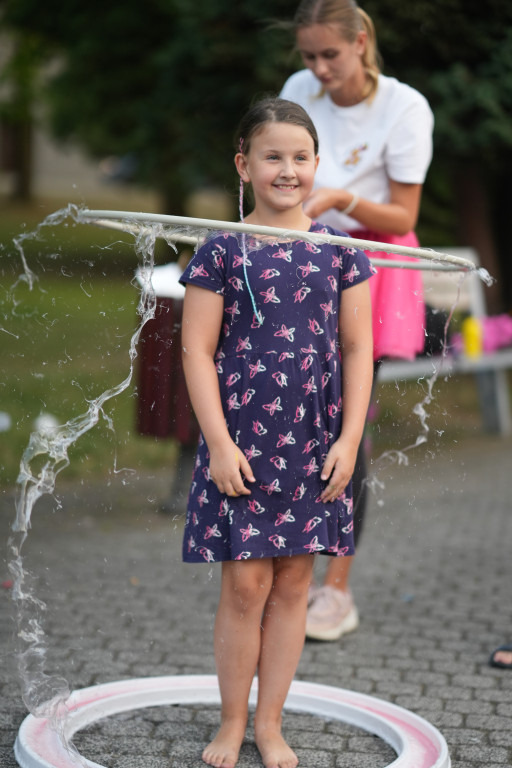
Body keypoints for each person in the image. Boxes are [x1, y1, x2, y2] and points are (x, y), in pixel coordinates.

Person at [179, 97, 374, 768]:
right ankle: (232, 721)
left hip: (315, 445)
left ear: (316, 165)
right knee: (244, 587)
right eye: (272, 157)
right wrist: (220, 444)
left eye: (299, 158)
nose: (287, 170)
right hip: (244, 446)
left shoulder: (343, 254)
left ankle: (270, 723)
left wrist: (350, 440)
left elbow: (357, 351)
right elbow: (195, 352)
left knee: (294, 583)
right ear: (244, 165)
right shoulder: (220, 251)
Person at [280, 0, 434, 641]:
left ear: (361, 42)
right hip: (302, 256)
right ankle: (283, 571)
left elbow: (402, 217)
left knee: (346, 421)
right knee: (293, 411)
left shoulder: (404, 107)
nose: (318, 70)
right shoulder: (297, 91)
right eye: (309, 56)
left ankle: (335, 590)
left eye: (330, 56)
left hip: (368, 266)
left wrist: (344, 197)